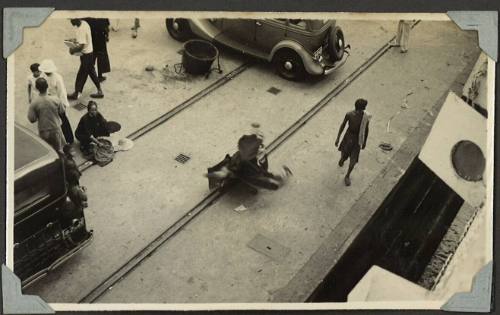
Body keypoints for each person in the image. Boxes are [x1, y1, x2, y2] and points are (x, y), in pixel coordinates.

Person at [207, 134, 292, 192]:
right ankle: (280, 179)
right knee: (266, 181)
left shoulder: (248, 153)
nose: (263, 149)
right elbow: (258, 176)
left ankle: (279, 179)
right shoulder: (246, 160)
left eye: (262, 147)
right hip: (245, 174)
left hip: (243, 170)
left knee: (265, 177)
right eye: (260, 148)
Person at [335, 98, 371, 186]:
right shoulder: (349, 114)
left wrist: (364, 141)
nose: (364, 109)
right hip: (348, 137)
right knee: (344, 153)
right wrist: (338, 138)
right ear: (359, 108)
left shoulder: (365, 117)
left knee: (353, 161)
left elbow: (366, 129)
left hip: (357, 140)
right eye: (363, 108)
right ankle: (343, 159)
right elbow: (343, 125)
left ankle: (347, 175)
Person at [67, 18, 104, 100]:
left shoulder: (81, 29)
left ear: (76, 19)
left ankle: (76, 93)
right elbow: (83, 40)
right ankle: (99, 91)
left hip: (86, 55)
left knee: (81, 75)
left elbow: (81, 46)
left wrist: (72, 50)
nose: (70, 22)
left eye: (71, 20)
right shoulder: (84, 23)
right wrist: (74, 40)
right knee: (91, 72)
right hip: (90, 52)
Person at [39, 59, 74, 144]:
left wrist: (63, 105)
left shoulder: (58, 78)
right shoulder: (42, 76)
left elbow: (62, 92)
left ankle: (69, 138)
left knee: (63, 120)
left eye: (48, 72)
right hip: (47, 101)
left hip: (57, 102)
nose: (46, 73)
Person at [27, 77, 66, 154]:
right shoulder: (55, 99)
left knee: (47, 152)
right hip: (55, 128)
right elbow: (62, 111)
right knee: (59, 151)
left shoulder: (34, 103)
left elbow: (32, 119)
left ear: (37, 88)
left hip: (43, 130)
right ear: (47, 86)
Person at [83, 18, 111, 82]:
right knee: (100, 57)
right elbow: (106, 25)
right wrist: (107, 35)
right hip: (100, 37)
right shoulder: (101, 15)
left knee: (92, 56)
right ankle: (99, 76)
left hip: (92, 36)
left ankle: (90, 72)